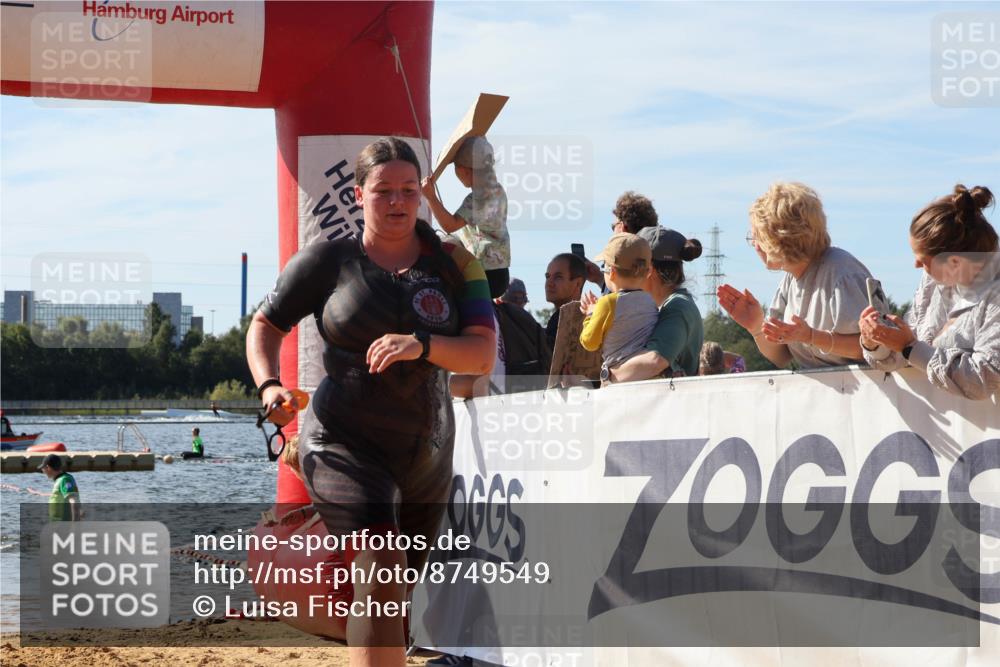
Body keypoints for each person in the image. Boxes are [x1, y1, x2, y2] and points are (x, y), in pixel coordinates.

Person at [246, 137, 495, 667]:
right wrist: (270, 386)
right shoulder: (328, 260)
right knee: (380, 564)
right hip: (341, 438)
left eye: (409, 190)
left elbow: (480, 355)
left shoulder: (456, 265)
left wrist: (421, 345)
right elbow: (264, 324)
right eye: (384, 191)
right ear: (360, 194)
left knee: (399, 583)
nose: (398, 201)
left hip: (425, 450)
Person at [860, 184, 999, 400]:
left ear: (954, 262)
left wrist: (910, 347)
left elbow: (983, 379)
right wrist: (877, 341)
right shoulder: (933, 280)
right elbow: (906, 353)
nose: (916, 265)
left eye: (923, 260)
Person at [717, 182, 870, 369]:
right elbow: (783, 357)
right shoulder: (790, 279)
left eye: (758, 237)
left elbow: (872, 347)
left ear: (781, 239)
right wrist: (756, 327)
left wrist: (811, 336)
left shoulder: (842, 273)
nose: (755, 245)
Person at [608, 226, 704, 381]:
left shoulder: (679, 307)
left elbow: (654, 361)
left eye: (632, 267)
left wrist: (608, 376)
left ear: (649, 269)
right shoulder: (668, 305)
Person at [422, 135, 511, 299]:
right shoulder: (497, 190)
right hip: (500, 269)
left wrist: (431, 198)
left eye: (456, 167)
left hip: (484, 271)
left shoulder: (479, 197)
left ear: (465, 170)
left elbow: (450, 225)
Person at [579, 234, 659, 384]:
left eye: (604, 266)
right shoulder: (651, 300)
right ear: (648, 272)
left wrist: (590, 314)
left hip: (617, 379)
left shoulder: (607, 303)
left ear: (613, 272)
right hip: (644, 376)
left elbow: (589, 342)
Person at [584, 191, 660, 288]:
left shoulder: (643, 273)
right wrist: (599, 277)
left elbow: (623, 295)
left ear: (622, 227)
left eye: (613, 226)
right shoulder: (654, 266)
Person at [543, 252, 586, 349]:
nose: (549, 283)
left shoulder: (570, 320)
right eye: (547, 276)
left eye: (558, 277)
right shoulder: (561, 317)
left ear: (578, 283)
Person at [39, 453, 80, 522]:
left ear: (48, 467)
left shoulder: (65, 479)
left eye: (43, 468)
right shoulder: (61, 479)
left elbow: (73, 501)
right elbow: (62, 496)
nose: (43, 471)